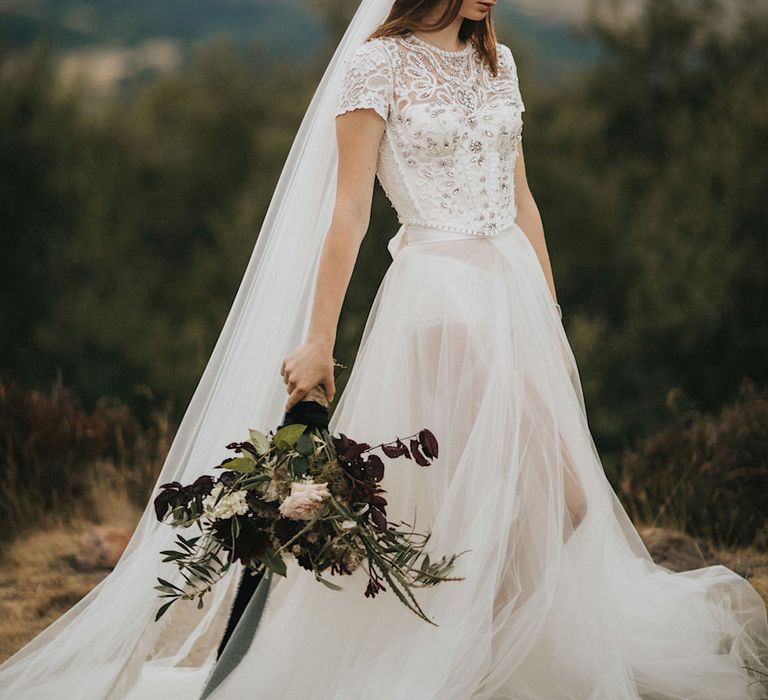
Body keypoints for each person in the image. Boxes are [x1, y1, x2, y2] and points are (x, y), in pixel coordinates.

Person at [2, 1, 767, 698]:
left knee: (543, 497)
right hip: (441, 299)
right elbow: (350, 211)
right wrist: (319, 334)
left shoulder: (500, 61)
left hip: (514, 298)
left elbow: (522, 199)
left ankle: (488, 650)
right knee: (551, 492)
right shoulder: (377, 63)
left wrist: (552, 315)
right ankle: (476, 657)